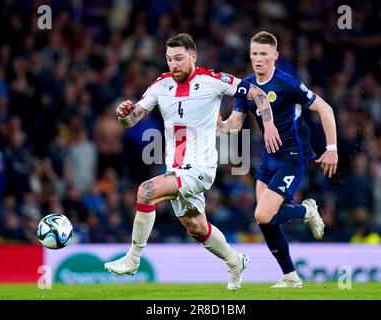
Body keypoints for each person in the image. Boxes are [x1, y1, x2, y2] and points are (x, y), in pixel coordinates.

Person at [104, 33, 282, 290]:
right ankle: (235, 262)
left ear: (193, 56)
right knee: (196, 228)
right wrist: (123, 115)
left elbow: (260, 95)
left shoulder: (213, 80)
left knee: (147, 191)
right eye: (168, 59)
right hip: (175, 168)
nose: (173, 64)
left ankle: (133, 259)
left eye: (179, 58)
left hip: (200, 168)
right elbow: (132, 119)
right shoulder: (161, 85)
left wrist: (269, 126)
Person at [218, 31, 338, 288]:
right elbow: (234, 126)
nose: (258, 59)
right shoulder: (245, 88)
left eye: (264, 54)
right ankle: (291, 277)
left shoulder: (288, 84)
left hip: (292, 157)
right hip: (268, 158)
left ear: (275, 56)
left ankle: (307, 210)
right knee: (266, 220)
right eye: (254, 54)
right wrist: (219, 123)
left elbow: (324, 108)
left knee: (262, 214)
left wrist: (332, 148)